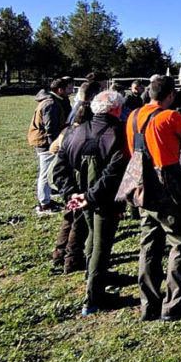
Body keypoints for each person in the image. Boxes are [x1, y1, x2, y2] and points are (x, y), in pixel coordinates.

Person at [125, 75, 181, 321]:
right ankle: (174, 304)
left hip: (142, 185)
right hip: (168, 183)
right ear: (170, 96)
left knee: (149, 244)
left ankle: (148, 303)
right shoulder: (172, 116)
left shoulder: (133, 116)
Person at [52, 90, 128, 315]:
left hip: (82, 198)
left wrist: (72, 195)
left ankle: (92, 275)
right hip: (103, 201)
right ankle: (93, 298)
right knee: (101, 246)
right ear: (116, 109)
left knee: (91, 239)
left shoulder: (73, 132)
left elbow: (59, 169)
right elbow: (113, 174)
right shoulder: (117, 134)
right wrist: (88, 196)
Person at [50, 80, 103, 274]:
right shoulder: (82, 133)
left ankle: (59, 253)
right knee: (78, 223)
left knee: (68, 218)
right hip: (78, 181)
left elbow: (55, 150)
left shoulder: (69, 130)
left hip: (68, 182)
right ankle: (71, 260)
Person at [28, 76, 73, 216]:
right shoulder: (51, 104)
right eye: (69, 88)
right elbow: (50, 129)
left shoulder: (57, 101)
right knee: (46, 173)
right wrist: (55, 146)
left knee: (49, 172)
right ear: (60, 90)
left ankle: (47, 198)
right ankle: (44, 204)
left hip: (49, 142)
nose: (71, 91)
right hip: (45, 143)